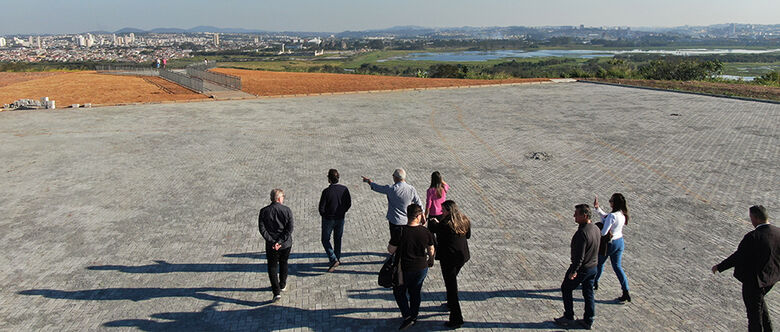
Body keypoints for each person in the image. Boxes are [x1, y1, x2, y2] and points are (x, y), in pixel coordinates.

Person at [712, 205, 780, 332]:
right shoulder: (778, 233)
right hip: (770, 280)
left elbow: (738, 257)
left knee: (754, 318)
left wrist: (719, 267)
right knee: (761, 309)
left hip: (753, 282)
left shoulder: (753, 237)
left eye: (751, 218)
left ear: (756, 218)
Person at [388, 203, 435, 330]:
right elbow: (431, 249)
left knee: (399, 291)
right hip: (420, 268)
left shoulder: (400, 231)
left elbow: (390, 250)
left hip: (404, 269)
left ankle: (407, 315)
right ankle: (414, 315)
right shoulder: (425, 231)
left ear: (407, 216)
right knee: (415, 292)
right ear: (419, 216)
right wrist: (431, 259)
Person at [555, 204, 600, 330]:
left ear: (584, 216)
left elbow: (579, 257)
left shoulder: (582, 233)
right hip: (593, 267)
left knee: (566, 288)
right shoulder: (595, 228)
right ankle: (588, 319)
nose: (574, 216)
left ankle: (569, 316)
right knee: (588, 292)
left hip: (582, 269)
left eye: (577, 214)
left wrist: (573, 271)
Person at [428, 200, 470, 329]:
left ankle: (456, 318)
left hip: (449, 259)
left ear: (448, 211)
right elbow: (467, 235)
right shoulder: (464, 220)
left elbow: (432, 228)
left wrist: (434, 221)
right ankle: (451, 304)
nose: (441, 212)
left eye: (443, 210)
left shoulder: (445, 225)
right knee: (452, 280)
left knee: (451, 287)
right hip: (462, 256)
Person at [362, 168, 424, 239]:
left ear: (396, 177)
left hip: (395, 221)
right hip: (407, 221)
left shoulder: (391, 189)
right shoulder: (411, 189)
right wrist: (422, 215)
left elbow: (378, 188)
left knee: (395, 241)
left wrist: (369, 182)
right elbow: (418, 202)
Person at [592, 193, 632, 302]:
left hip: (610, 243)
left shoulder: (612, 216)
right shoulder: (622, 214)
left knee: (599, 263)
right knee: (618, 267)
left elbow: (604, 231)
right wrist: (597, 208)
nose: (609, 202)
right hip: (620, 242)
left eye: (611, 200)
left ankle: (594, 282)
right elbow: (606, 216)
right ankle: (625, 290)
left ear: (614, 203)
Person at [259, 188, 294, 302]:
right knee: (284, 263)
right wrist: (280, 241)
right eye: (283, 197)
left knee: (272, 267)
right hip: (285, 244)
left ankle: (276, 291)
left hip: (271, 245)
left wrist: (272, 242)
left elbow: (262, 229)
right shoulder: (287, 210)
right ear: (279, 198)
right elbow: (289, 229)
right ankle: (282, 284)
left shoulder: (264, 211)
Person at [318, 169, 352, 272]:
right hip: (340, 218)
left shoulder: (326, 192)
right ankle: (337, 258)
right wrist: (342, 212)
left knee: (325, 239)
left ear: (329, 179)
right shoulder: (344, 189)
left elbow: (321, 208)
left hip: (329, 219)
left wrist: (325, 215)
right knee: (338, 239)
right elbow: (348, 204)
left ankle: (333, 259)